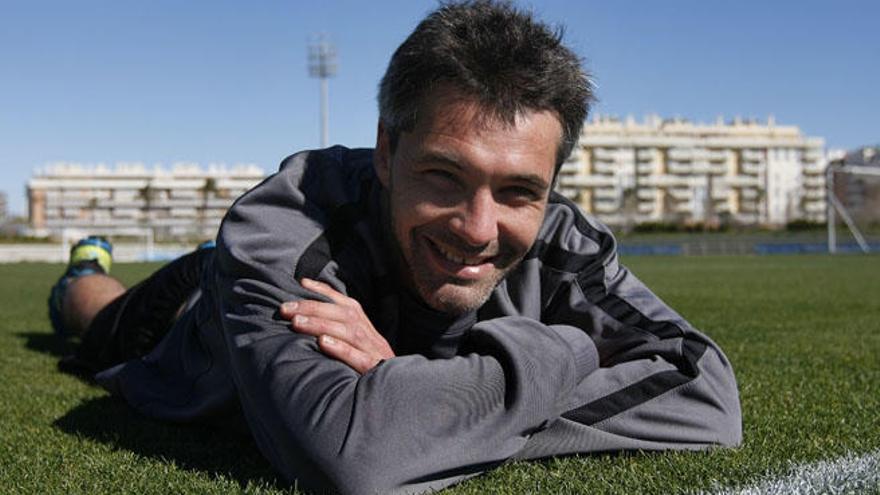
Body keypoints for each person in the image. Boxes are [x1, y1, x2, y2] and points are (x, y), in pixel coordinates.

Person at [49, 2, 742, 493]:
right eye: (445, 174)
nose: (477, 226)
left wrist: (409, 385)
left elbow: (707, 396)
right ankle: (85, 267)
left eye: (518, 192)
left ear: (552, 185)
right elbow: (357, 457)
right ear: (387, 148)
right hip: (193, 317)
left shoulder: (564, 244)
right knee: (93, 314)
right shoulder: (284, 220)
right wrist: (571, 347)